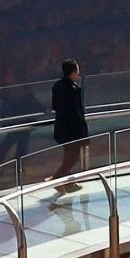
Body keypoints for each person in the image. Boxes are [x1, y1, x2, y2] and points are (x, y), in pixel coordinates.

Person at [52, 58, 89, 192]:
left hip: (61, 129)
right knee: (73, 158)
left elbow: (55, 106)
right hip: (72, 131)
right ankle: (56, 179)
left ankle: (68, 183)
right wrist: (83, 134)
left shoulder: (57, 87)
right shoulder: (73, 89)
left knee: (68, 156)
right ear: (73, 72)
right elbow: (77, 113)